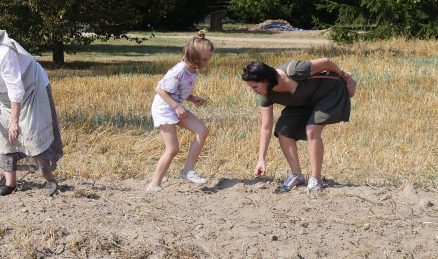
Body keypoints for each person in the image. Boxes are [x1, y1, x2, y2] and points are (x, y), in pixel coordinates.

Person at [0, 25, 63, 197]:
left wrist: (15, 122)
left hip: (31, 88)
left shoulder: (3, 54)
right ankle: (10, 185)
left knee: (32, 133)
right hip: (4, 96)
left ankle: (49, 180)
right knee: (5, 137)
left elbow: (16, 89)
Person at [241, 58, 354, 193]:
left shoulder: (294, 70)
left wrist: (343, 75)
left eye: (254, 87)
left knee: (312, 130)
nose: (253, 91)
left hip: (328, 93)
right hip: (304, 101)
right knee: (284, 130)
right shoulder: (267, 95)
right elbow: (266, 127)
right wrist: (261, 159)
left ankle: (316, 179)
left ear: (266, 80)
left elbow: (326, 62)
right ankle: (297, 176)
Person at [148, 31, 215, 191]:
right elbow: (160, 90)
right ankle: (153, 185)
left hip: (175, 106)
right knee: (173, 149)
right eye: (205, 59)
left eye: (208, 59)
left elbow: (177, 90)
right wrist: (177, 107)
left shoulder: (194, 69)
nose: (207, 62)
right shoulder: (177, 71)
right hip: (164, 108)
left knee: (202, 131)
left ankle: (188, 170)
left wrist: (191, 98)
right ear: (193, 57)